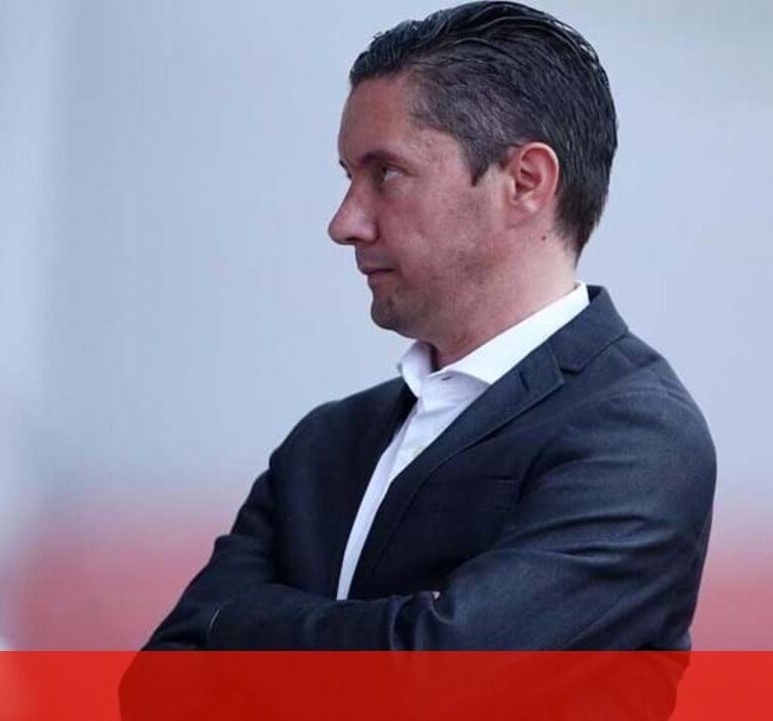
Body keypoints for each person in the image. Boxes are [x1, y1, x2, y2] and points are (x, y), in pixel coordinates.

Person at [143, 1, 715, 651]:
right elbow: (161, 676)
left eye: (386, 174)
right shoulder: (326, 444)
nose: (344, 223)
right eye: (349, 178)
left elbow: (443, 671)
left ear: (525, 182)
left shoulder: (636, 437)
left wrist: (230, 623)